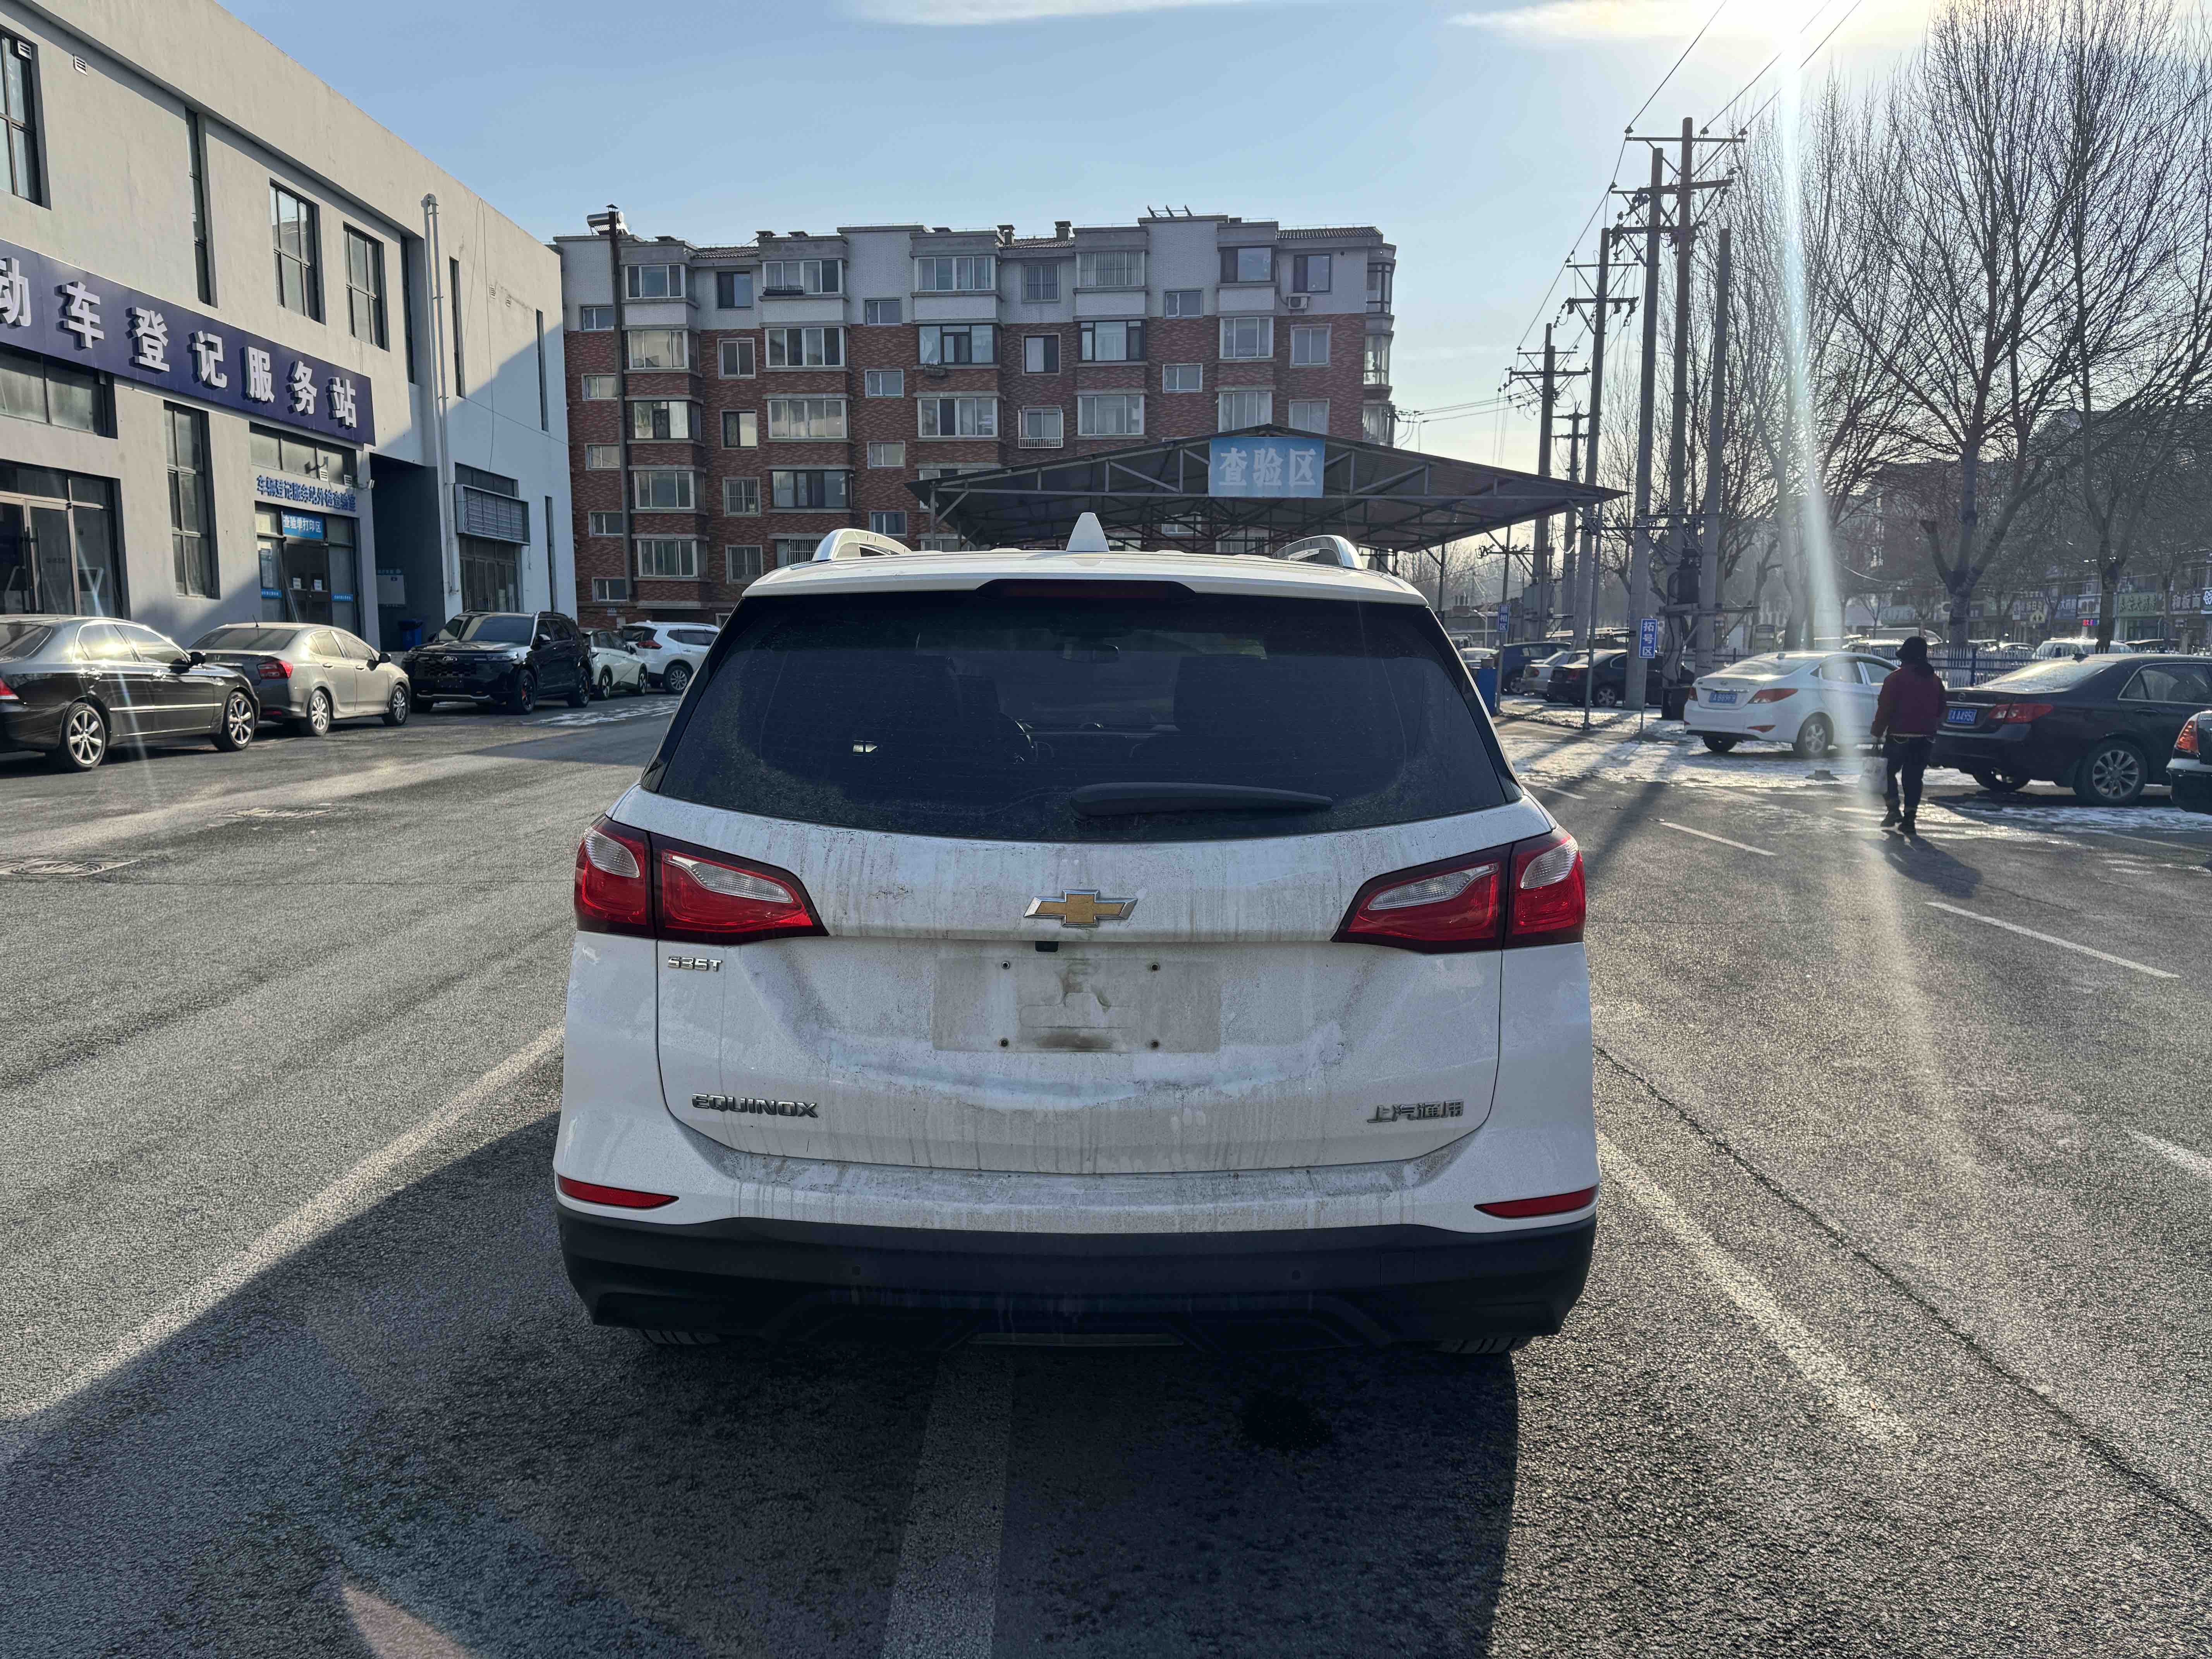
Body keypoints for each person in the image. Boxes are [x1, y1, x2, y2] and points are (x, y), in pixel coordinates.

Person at [1870, 635, 1948, 834]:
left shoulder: (1895, 679)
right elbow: (1941, 710)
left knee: (1887, 773)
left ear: (1905, 657)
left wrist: (1877, 732)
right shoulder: (1935, 680)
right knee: (1913, 778)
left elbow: (1885, 709)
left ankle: (1893, 809)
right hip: (1925, 738)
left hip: (1899, 736)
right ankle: (1910, 819)